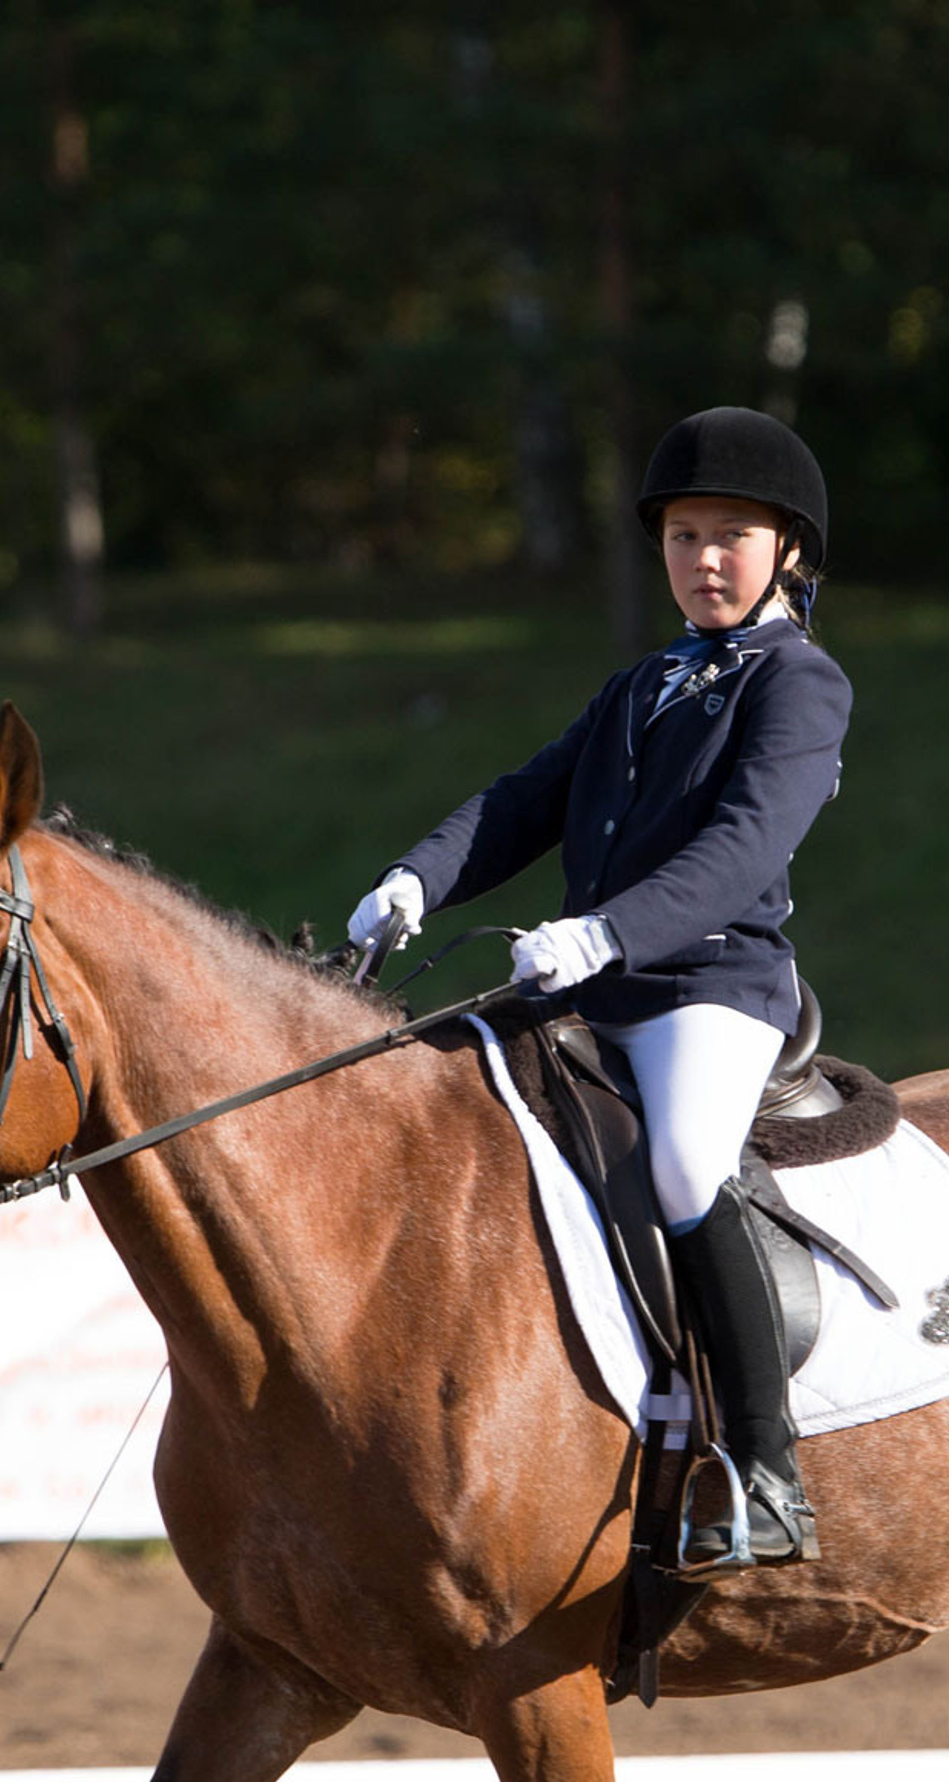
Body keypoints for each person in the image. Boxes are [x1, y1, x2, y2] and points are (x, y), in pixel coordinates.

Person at [347, 407, 851, 1569]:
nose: (705, 559)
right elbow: (524, 801)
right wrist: (415, 879)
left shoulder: (800, 685)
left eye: (731, 535)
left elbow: (742, 846)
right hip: (588, 978)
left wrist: (603, 935)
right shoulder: (645, 682)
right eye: (683, 536)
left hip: (708, 986)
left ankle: (767, 1472)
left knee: (682, 1160)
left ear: (786, 552)